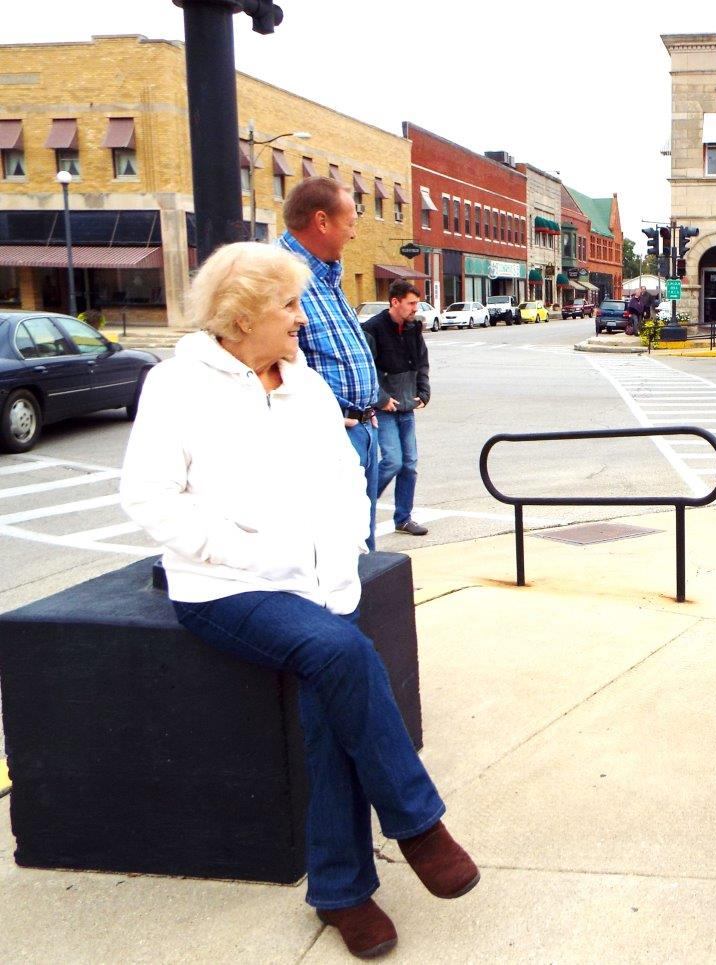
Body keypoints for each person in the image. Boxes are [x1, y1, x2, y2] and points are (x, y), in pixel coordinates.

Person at [119, 242, 478, 960]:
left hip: (321, 583)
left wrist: (340, 554)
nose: (300, 318)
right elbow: (149, 498)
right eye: (287, 305)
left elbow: (348, 477)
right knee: (339, 651)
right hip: (227, 586)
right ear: (242, 314)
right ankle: (417, 824)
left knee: (328, 705)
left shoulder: (307, 386)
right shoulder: (177, 386)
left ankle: (342, 891)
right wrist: (245, 552)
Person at [278, 177, 386, 550]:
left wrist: (370, 407)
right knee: (334, 548)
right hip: (326, 435)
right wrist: (313, 416)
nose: (354, 234)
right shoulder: (275, 274)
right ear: (322, 221)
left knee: (362, 549)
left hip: (362, 427)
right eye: (350, 223)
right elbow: (257, 365)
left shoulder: (325, 273)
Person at [362, 280, 431, 537]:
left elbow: (422, 363)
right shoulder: (373, 329)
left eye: (416, 303)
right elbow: (367, 368)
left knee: (409, 464)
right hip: (384, 409)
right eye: (411, 303)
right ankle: (360, 505)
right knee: (392, 461)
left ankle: (403, 518)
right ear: (395, 302)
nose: (415, 308)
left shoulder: (413, 328)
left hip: (406, 406)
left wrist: (423, 392)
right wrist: (381, 398)